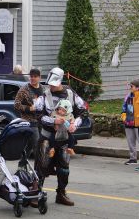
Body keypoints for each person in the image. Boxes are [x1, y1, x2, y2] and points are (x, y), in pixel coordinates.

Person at [35, 67, 87, 206]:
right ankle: (35, 193)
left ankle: (61, 193)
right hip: (47, 136)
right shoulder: (44, 95)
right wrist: (53, 121)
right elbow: (38, 116)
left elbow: (82, 111)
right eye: (50, 84)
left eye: (53, 83)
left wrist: (75, 124)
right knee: (41, 165)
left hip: (64, 138)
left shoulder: (71, 94)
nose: (51, 86)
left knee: (64, 167)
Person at [14, 68, 45, 155]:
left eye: (35, 77)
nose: (33, 78)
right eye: (31, 77)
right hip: (29, 120)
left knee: (30, 145)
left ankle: (22, 164)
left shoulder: (43, 89)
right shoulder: (24, 89)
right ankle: (39, 167)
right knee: (37, 144)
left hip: (41, 120)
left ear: (39, 77)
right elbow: (16, 104)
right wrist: (28, 108)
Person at [121, 91, 139, 165]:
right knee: (130, 142)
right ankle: (133, 158)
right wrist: (124, 118)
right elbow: (124, 108)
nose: (130, 88)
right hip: (129, 122)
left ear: (137, 87)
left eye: (132, 86)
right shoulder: (127, 97)